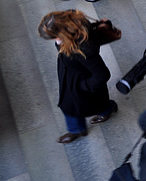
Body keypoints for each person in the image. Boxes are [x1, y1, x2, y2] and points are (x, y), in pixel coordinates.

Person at [37, 10, 118, 144]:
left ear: (63, 33)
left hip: (82, 82)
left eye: (55, 38)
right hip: (73, 75)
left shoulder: (83, 49)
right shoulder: (74, 30)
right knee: (85, 103)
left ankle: (78, 128)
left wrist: (83, 87)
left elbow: (102, 74)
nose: (56, 41)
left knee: (71, 106)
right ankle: (104, 111)